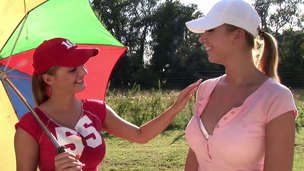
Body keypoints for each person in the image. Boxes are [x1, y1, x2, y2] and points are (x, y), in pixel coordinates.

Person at [14, 37, 202, 171]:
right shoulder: (31, 125)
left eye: (82, 65)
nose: (83, 72)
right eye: (72, 69)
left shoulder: (96, 110)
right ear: (48, 79)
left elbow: (141, 135)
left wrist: (175, 108)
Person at [184, 0, 298, 171]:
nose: (202, 38)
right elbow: (195, 156)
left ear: (237, 35)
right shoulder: (205, 90)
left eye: (211, 30)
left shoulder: (276, 98)